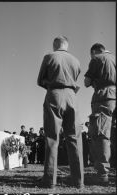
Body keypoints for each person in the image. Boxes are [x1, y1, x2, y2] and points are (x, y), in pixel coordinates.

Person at [37, 36, 84, 188]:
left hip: (54, 95)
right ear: (67, 45)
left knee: (52, 137)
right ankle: (78, 181)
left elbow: (40, 80)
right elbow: (75, 79)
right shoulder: (76, 61)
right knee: (74, 139)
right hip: (72, 97)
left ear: (54, 45)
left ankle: (50, 180)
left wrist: (51, 84)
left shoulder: (49, 56)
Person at [84, 43, 116, 184]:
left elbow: (86, 82)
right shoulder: (114, 58)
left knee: (101, 134)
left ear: (94, 52)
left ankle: (102, 174)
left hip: (103, 97)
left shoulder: (97, 58)